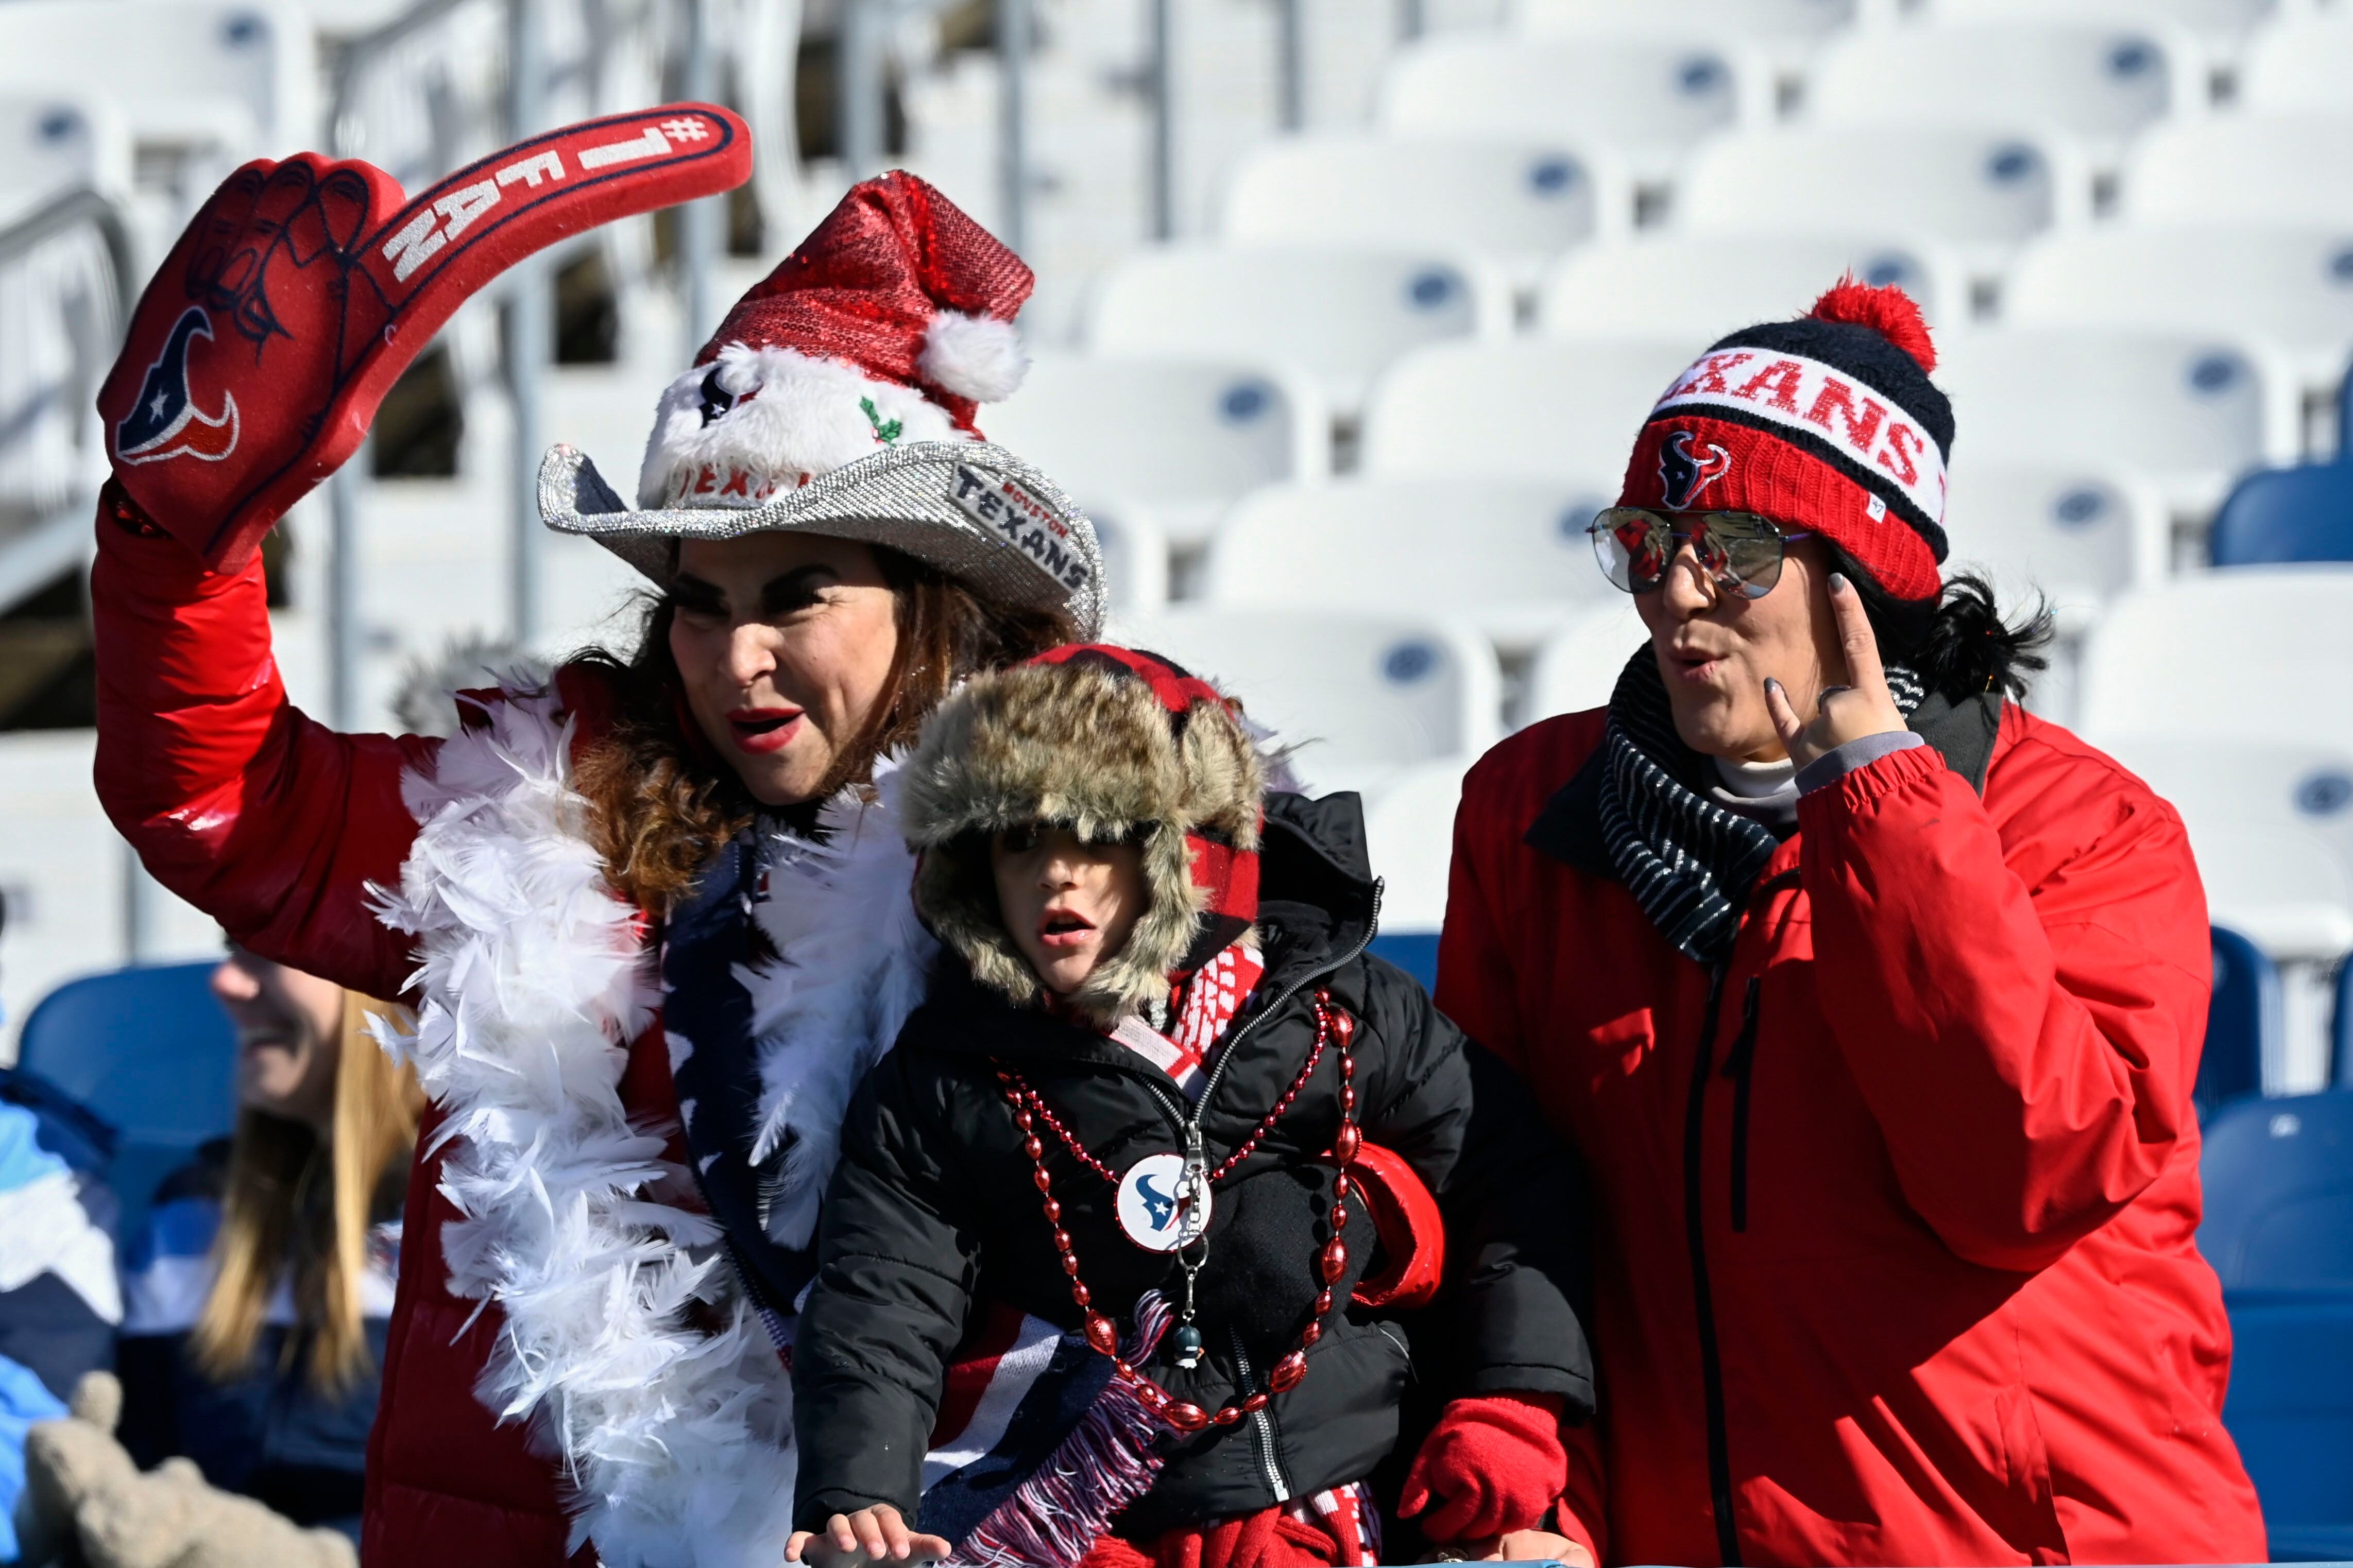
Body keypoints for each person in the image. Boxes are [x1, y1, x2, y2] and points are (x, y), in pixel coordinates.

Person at [90, 160, 1103, 1565]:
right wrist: (176, 545)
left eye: (796, 593)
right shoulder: (535, 811)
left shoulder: (1084, 860)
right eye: (697, 601)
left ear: (936, 604)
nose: (736, 657)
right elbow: (223, 801)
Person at [1437, 279, 2267, 1564]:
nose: (1674, 592)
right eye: (1646, 541)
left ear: (1861, 575)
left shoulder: (2089, 833)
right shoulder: (1530, 815)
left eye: (1735, 548)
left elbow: (2020, 1176)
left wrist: (1875, 791)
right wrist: (1541, 1502)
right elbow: (1504, 1206)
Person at [788, 646, 1597, 1568]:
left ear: (1185, 849)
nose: (1057, 874)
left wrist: (1510, 1408)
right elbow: (881, 1302)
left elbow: (1513, 1185)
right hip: (1082, 1519)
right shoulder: (942, 1080)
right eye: (1018, 840)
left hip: (1354, 1493)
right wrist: (860, 1491)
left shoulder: (1340, 1011)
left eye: (1097, 832)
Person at [112, 948, 419, 1544]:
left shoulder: (496, 1234)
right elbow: (142, 1461)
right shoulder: (190, 1218)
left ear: (385, 979)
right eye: (233, 951)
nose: (224, 982)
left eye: (266, 952)